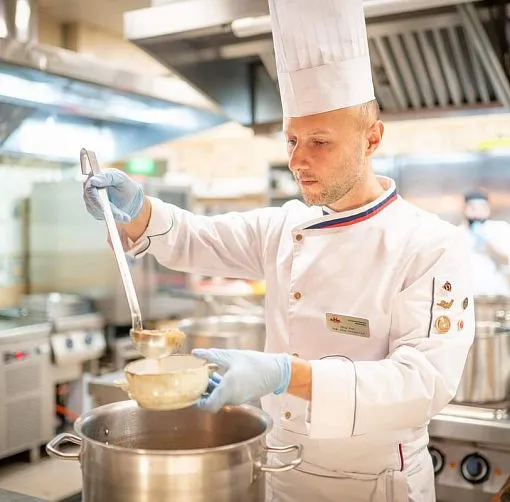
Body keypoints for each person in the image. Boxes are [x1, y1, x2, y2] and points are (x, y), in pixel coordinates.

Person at [82, 0, 475, 500]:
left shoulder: (430, 245)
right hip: (279, 475)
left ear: (372, 138)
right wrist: (136, 212)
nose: (297, 161)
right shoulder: (285, 226)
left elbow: (423, 384)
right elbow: (193, 237)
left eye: (319, 142)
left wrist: (287, 374)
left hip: (378, 485)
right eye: (291, 140)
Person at [460, 190, 510, 296]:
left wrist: (487, 244)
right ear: (464, 209)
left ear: (489, 209)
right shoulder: (457, 232)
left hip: (496, 292)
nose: (477, 212)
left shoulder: (500, 228)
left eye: (482, 208)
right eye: (472, 208)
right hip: (468, 292)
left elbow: (506, 260)